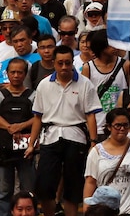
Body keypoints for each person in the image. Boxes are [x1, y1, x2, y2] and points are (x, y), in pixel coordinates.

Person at [25, 48, 101, 216]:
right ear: (54, 64)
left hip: (76, 137)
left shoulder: (85, 84)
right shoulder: (44, 85)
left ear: (72, 63)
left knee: (73, 187)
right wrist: (31, 144)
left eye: (68, 63)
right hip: (50, 137)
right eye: (60, 63)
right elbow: (38, 116)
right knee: (44, 186)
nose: (64, 67)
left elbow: (90, 115)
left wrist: (94, 142)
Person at [0, 58, 35, 216]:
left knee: (28, 191)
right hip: (3, 150)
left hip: (26, 151)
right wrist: (9, 127)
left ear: (25, 73)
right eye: (12, 72)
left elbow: (39, 117)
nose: (16, 75)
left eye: (19, 72)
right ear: (7, 73)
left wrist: (20, 126)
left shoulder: (32, 95)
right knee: (3, 192)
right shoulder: (1, 94)